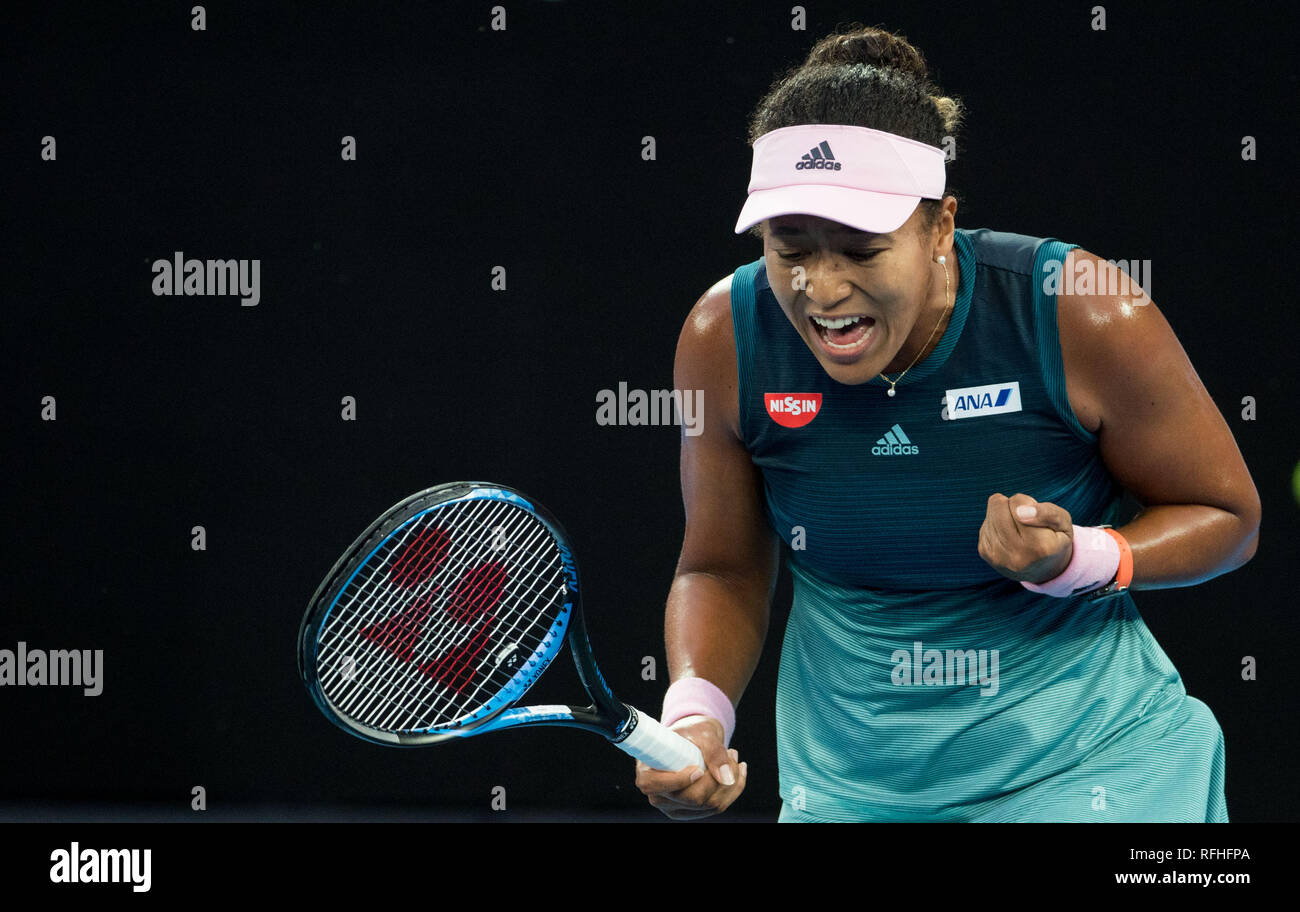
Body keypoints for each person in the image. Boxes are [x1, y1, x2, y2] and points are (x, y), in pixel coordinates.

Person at [634, 25, 1260, 822]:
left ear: (940, 228)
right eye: (789, 247)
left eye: (861, 252)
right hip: (851, 790)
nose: (820, 290)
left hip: (1097, 774)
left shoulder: (1081, 308)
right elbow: (719, 569)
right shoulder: (724, 334)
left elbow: (1230, 520)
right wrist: (698, 719)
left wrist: (1079, 557)